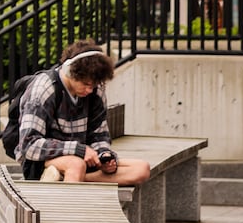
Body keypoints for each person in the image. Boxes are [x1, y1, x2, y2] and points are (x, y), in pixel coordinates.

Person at [16, 39, 152, 184]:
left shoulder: (95, 90)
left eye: (94, 85)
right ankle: (70, 189)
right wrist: (77, 149)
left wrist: (104, 155)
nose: (89, 90)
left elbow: (99, 135)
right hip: (41, 162)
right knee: (76, 165)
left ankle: (69, 180)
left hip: (83, 158)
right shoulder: (44, 88)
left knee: (141, 168)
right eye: (86, 84)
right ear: (70, 72)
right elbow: (28, 145)